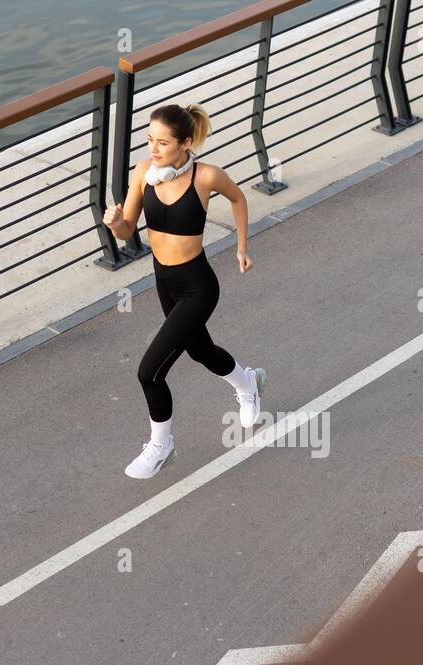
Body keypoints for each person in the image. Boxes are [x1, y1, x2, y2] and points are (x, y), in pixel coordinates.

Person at [102, 102, 265, 479]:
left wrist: (242, 246)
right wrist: (115, 225)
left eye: (162, 143)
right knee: (201, 351)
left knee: (149, 372)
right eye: (149, 141)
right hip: (165, 282)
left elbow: (238, 197)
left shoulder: (206, 177)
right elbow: (128, 232)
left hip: (197, 286)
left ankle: (162, 446)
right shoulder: (144, 173)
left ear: (186, 143)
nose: (153, 150)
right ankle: (248, 382)